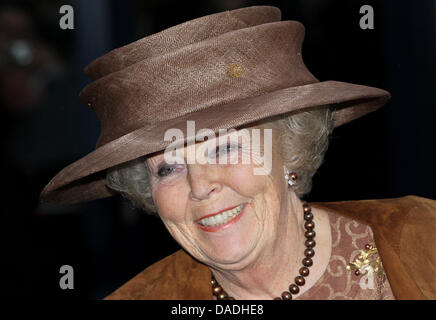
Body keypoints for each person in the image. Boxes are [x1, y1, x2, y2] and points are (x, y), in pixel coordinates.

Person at [40, 6, 436, 300]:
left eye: (224, 147)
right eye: (168, 168)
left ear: (289, 153)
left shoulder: (423, 234)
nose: (200, 187)